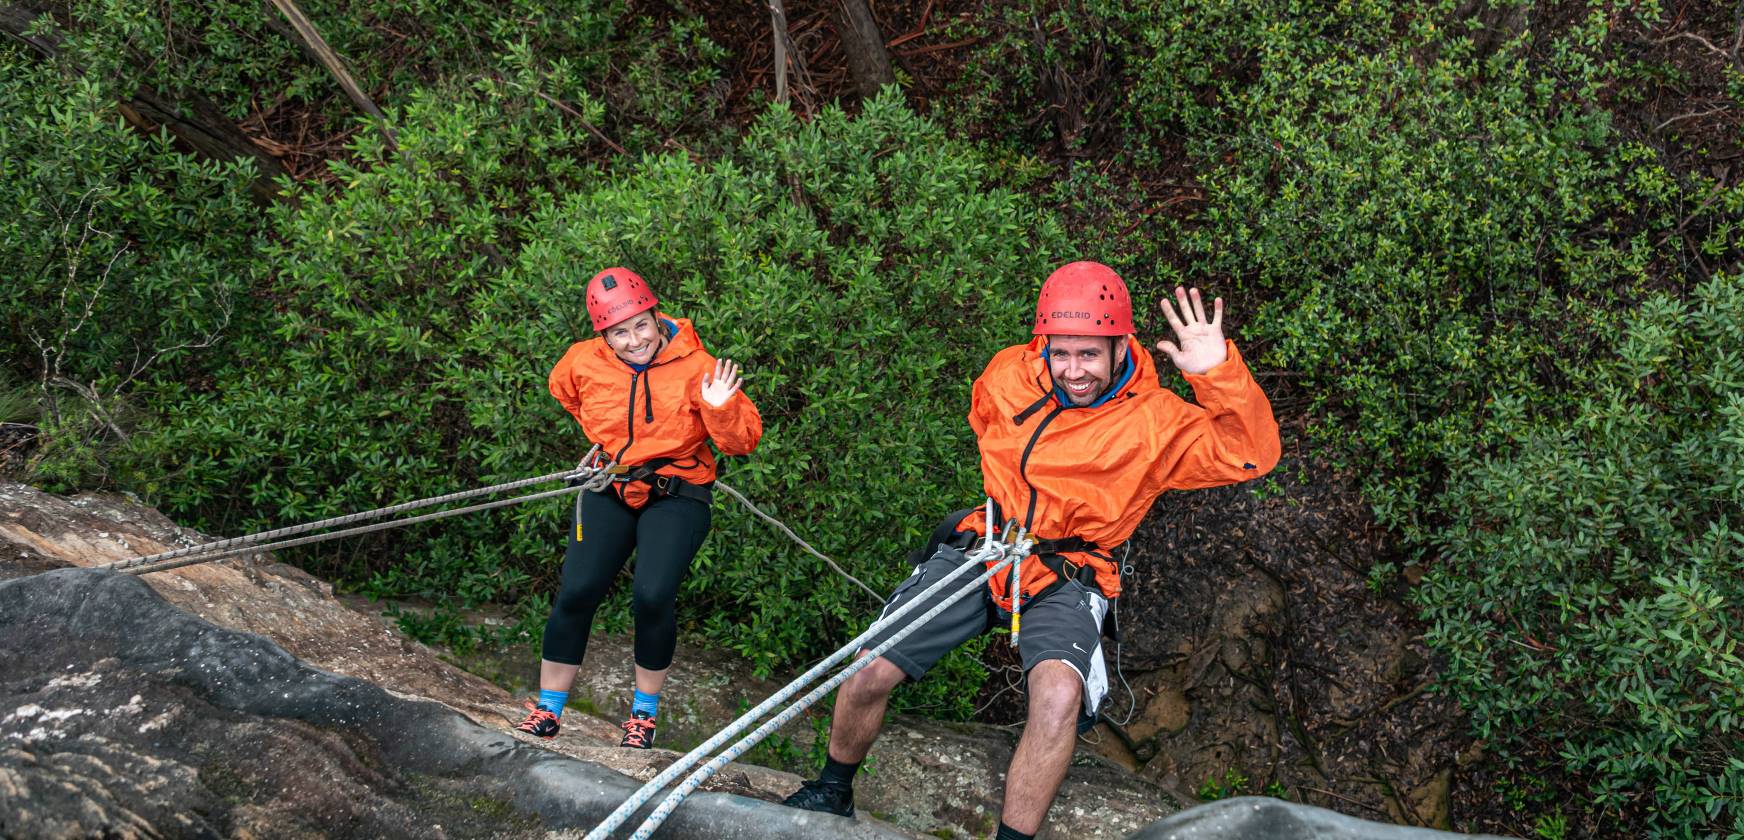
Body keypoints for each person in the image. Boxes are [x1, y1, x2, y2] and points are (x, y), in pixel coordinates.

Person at [782, 261, 1281, 838]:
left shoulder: (1156, 422)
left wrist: (1216, 374)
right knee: (870, 667)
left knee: (1057, 697)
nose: (1074, 371)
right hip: (987, 546)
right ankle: (831, 792)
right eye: (1061, 353)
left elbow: (1251, 454)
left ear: (1121, 345)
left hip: (1070, 568)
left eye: (1090, 354)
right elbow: (986, 424)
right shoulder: (1008, 377)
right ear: (1043, 343)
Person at [514, 266, 762, 749]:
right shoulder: (581, 362)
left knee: (651, 596)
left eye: (641, 326)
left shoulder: (698, 367)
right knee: (578, 590)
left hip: (677, 490)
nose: (634, 340)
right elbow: (566, 393)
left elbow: (743, 442)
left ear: (655, 315)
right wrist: (607, 443)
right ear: (603, 335)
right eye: (619, 332)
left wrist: (717, 407)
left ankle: (643, 716)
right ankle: (548, 710)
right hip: (609, 481)